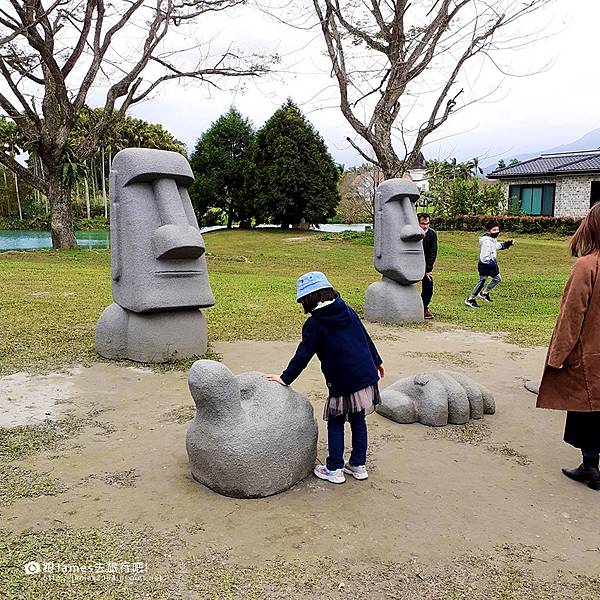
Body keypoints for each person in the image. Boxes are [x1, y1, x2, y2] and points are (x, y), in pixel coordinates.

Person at [267, 271, 384, 485]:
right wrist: (377, 361)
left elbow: (303, 355)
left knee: (336, 423)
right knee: (359, 421)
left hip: (342, 381)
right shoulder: (347, 310)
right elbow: (364, 336)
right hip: (365, 375)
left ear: (307, 299)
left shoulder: (315, 324)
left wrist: (285, 378)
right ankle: (358, 465)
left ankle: (334, 469)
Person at [536, 203, 600, 491]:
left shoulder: (587, 266)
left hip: (590, 355)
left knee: (587, 410)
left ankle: (592, 467)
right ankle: (589, 467)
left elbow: (572, 315)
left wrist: (557, 355)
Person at [464, 219, 514, 309]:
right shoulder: (486, 241)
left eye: (497, 230)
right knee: (482, 282)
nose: (497, 232)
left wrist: (507, 244)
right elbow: (484, 257)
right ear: (488, 231)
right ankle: (470, 299)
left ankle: (484, 293)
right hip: (485, 265)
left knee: (497, 279)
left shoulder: (492, 239)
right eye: (494, 230)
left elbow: (497, 246)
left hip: (493, 264)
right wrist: (489, 264)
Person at [418, 212, 438, 320]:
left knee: (428, 286)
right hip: (412, 264)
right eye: (422, 223)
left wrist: (428, 269)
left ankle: (424, 308)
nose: (425, 226)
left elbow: (433, 252)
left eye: (427, 223)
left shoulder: (432, 234)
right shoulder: (413, 233)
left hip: (425, 266)